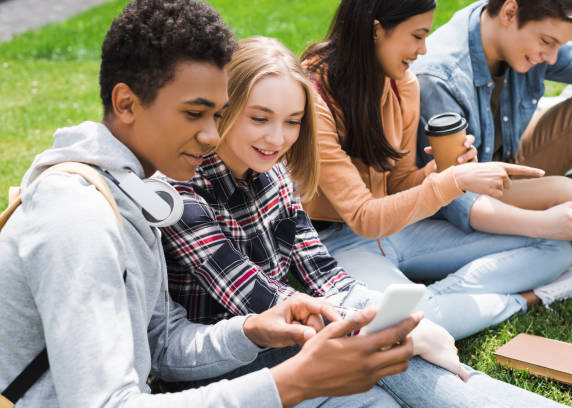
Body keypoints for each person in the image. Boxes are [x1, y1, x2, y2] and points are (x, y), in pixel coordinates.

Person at [0, 1, 446, 407]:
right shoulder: (81, 219)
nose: (214, 136)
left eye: (218, 114)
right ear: (126, 103)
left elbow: (163, 345)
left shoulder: (138, 190)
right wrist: (293, 381)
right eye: (195, 114)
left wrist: (251, 331)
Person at [160, 34, 566, 407]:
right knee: (391, 357)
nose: (277, 138)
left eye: (292, 121)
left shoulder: (274, 172)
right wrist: (377, 328)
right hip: (224, 361)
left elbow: (321, 270)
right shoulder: (183, 189)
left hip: (294, 331)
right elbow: (255, 297)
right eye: (260, 118)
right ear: (225, 109)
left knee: (398, 357)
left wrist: (390, 319)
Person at [299, 0, 572, 340]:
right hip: (337, 240)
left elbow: (400, 184)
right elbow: (363, 217)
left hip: (399, 228)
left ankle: (437, 303)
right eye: (417, 36)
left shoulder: (403, 84)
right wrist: (453, 181)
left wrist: (440, 170)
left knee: (554, 248)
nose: (423, 49)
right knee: (397, 327)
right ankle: (522, 299)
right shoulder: (314, 98)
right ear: (375, 30)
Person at [413, 0, 572, 270]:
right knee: (571, 193)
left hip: (509, 156)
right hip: (472, 192)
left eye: (558, 46)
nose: (553, 58)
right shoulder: (440, 78)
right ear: (509, 12)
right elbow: (453, 197)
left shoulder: (514, 31)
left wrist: (546, 44)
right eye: (547, 42)